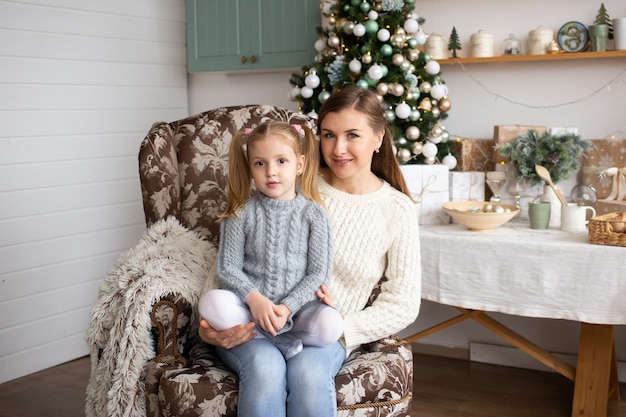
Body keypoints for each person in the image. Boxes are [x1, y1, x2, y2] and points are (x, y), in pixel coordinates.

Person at [198, 87, 421, 417]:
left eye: (352, 135)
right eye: (329, 135)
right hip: (253, 321)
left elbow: (403, 303)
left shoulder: (397, 210)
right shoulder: (289, 180)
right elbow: (232, 258)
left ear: (378, 138)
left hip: (322, 332)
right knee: (265, 369)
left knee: (309, 374)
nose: (338, 148)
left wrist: (341, 325)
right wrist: (210, 326)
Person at [198, 120, 343, 360]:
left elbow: (318, 274)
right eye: (260, 163)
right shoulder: (240, 213)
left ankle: (277, 335)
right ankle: (281, 342)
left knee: (331, 324)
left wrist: (287, 308)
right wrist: (255, 300)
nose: (271, 172)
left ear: (300, 164)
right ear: (250, 168)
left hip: (298, 312)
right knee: (211, 302)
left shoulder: (314, 214)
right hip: (250, 309)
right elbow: (227, 269)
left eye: (281, 161)